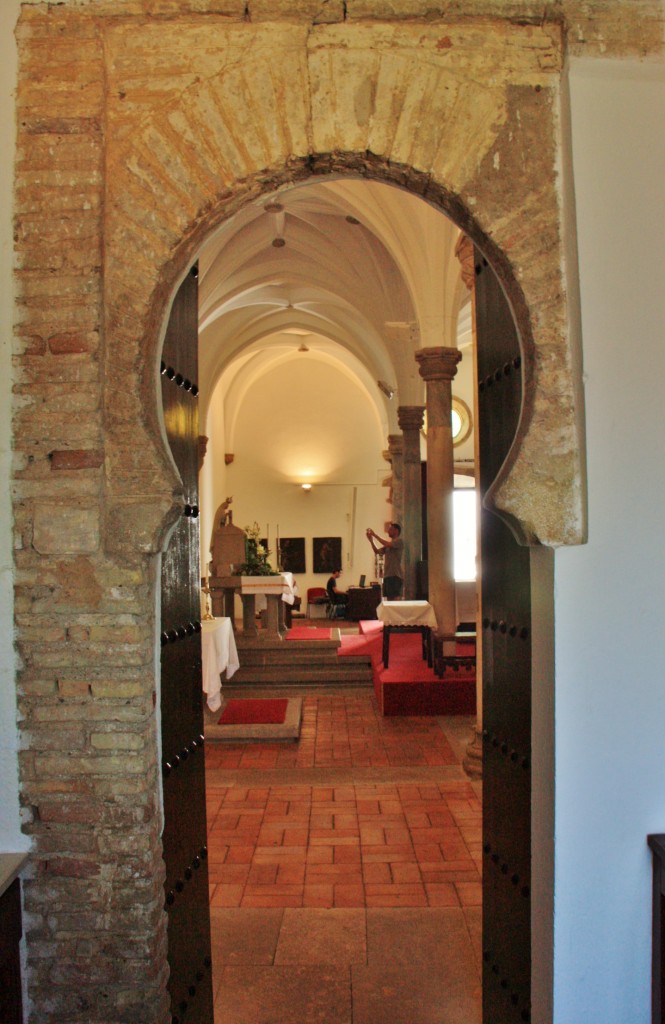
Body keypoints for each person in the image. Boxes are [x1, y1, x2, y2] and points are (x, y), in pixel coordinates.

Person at [366, 522, 404, 598]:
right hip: (387, 576)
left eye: (390, 529)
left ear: (396, 531)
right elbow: (377, 551)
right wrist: (371, 541)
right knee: (389, 601)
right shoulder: (388, 544)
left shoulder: (399, 541)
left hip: (395, 575)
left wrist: (375, 535)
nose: (388, 531)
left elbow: (388, 544)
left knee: (395, 600)